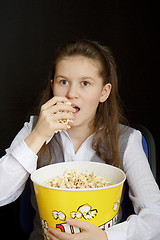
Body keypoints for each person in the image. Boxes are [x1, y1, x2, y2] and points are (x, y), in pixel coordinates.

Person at [0, 39, 160, 240]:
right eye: (63, 81)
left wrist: (106, 237)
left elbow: (156, 216)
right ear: (52, 86)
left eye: (85, 83)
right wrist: (39, 135)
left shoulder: (127, 140)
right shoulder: (33, 130)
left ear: (104, 92)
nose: (71, 94)